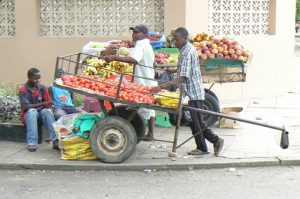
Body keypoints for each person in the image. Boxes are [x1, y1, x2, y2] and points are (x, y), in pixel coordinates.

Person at [151, 27, 224, 156]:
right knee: (194, 121)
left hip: (193, 92)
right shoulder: (186, 49)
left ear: (184, 38)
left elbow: (183, 76)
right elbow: (186, 69)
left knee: (195, 121)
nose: (175, 42)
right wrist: (173, 71)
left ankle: (208, 145)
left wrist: (161, 86)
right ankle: (212, 142)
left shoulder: (186, 52)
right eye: (174, 40)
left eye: (177, 40)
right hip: (190, 92)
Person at [102, 24, 157, 140]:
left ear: (144, 34)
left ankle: (128, 130)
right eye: (133, 32)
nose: (133, 35)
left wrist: (114, 57)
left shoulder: (141, 44)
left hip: (144, 81)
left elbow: (133, 59)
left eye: (136, 33)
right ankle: (150, 133)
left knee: (143, 107)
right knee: (149, 109)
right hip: (148, 79)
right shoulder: (147, 44)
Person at [19, 68, 59, 152]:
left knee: (47, 111)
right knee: (32, 111)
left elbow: (48, 104)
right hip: (28, 116)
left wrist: (49, 108)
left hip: (40, 115)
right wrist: (42, 104)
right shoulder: (23, 89)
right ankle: (32, 143)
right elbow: (25, 107)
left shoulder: (42, 88)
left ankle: (55, 141)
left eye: (39, 78)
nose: (38, 80)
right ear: (29, 78)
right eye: (35, 78)